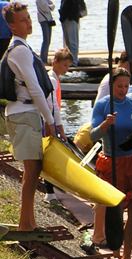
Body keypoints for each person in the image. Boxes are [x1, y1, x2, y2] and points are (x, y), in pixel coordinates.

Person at [90, 67, 132, 259]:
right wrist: (106, 125)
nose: (123, 90)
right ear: (112, 86)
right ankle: (115, 251)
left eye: (126, 86)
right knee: (114, 209)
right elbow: (93, 135)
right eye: (119, 86)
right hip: (111, 161)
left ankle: (127, 255)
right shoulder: (102, 104)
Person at [3, 2, 55, 231]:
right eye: (23, 19)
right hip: (24, 114)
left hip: (24, 114)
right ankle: (25, 223)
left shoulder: (21, 47)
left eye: (28, 17)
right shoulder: (21, 51)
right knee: (32, 170)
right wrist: (51, 122)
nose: (29, 22)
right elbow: (34, 89)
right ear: (12, 26)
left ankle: (29, 221)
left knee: (33, 171)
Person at [42, 47, 73, 202]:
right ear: (55, 62)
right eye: (64, 65)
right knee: (50, 155)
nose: (66, 69)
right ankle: (50, 191)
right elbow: (52, 105)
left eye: (68, 66)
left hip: (51, 120)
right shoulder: (52, 79)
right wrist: (58, 127)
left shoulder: (54, 77)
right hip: (50, 122)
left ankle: (53, 188)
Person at [58, 0, 85, 66]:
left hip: (71, 18)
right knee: (68, 42)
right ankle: (70, 60)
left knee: (72, 42)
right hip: (67, 18)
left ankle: (74, 61)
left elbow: (70, 5)